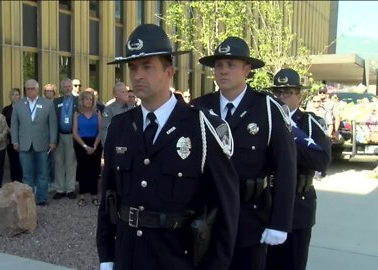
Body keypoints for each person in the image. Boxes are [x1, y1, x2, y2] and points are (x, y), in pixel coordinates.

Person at [96, 23, 240, 270]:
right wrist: (107, 256)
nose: (138, 75)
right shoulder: (120, 127)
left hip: (177, 259)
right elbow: (108, 197)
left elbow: (225, 209)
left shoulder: (201, 129)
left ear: (169, 72)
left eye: (148, 67)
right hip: (128, 257)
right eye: (133, 68)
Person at [192, 36, 297, 270]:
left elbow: (286, 169)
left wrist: (279, 223)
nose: (223, 71)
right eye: (219, 65)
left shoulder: (268, 109)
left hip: (249, 218)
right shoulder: (199, 108)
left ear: (247, 70)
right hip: (207, 216)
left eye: (231, 65)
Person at [266, 68, 331, 270]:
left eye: (288, 91)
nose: (282, 96)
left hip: (299, 205)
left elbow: (322, 160)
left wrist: (290, 137)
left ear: (299, 95)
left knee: (293, 263)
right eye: (278, 92)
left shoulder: (309, 124)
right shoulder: (266, 121)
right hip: (267, 202)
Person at [11, 79, 57, 206]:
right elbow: (14, 125)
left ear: (37, 89)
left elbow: (52, 124)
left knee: (43, 173)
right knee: (27, 174)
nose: (30, 91)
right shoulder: (19, 105)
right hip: (24, 144)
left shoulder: (47, 104)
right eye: (28, 89)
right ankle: (28, 199)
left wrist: (53, 141)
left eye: (33, 89)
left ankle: (42, 198)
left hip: (42, 143)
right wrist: (14, 141)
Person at [72, 89, 103, 207]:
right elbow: (75, 132)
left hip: (95, 142)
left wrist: (95, 145)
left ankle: (94, 195)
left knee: (95, 170)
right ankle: (82, 196)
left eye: (91, 99)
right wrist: (85, 146)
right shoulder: (77, 114)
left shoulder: (97, 113)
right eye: (87, 99)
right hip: (81, 143)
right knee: (82, 169)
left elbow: (100, 130)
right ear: (82, 101)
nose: (89, 101)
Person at [53, 78, 79, 200]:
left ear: (72, 87)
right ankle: (60, 189)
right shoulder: (56, 101)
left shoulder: (78, 101)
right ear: (61, 88)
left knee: (71, 163)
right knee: (59, 162)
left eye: (69, 86)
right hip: (59, 135)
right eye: (65, 86)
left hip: (72, 136)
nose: (67, 88)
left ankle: (70, 189)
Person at [2, 88, 23, 182]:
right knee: (13, 160)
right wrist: (11, 131)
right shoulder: (6, 109)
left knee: (21, 160)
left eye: (17, 94)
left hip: (22, 138)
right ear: (10, 97)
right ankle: (14, 181)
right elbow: (3, 123)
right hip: (10, 138)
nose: (15, 96)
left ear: (20, 96)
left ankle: (22, 181)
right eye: (13, 94)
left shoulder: (24, 108)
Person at [43, 83, 58, 185]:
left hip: (58, 134)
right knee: (46, 159)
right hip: (44, 135)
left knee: (56, 159)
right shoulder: (41, 104)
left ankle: (56, 179)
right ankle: (47, 179)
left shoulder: (57, 103)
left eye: (51, 91)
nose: (49, 93)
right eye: (47, 91)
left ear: (54, 92)